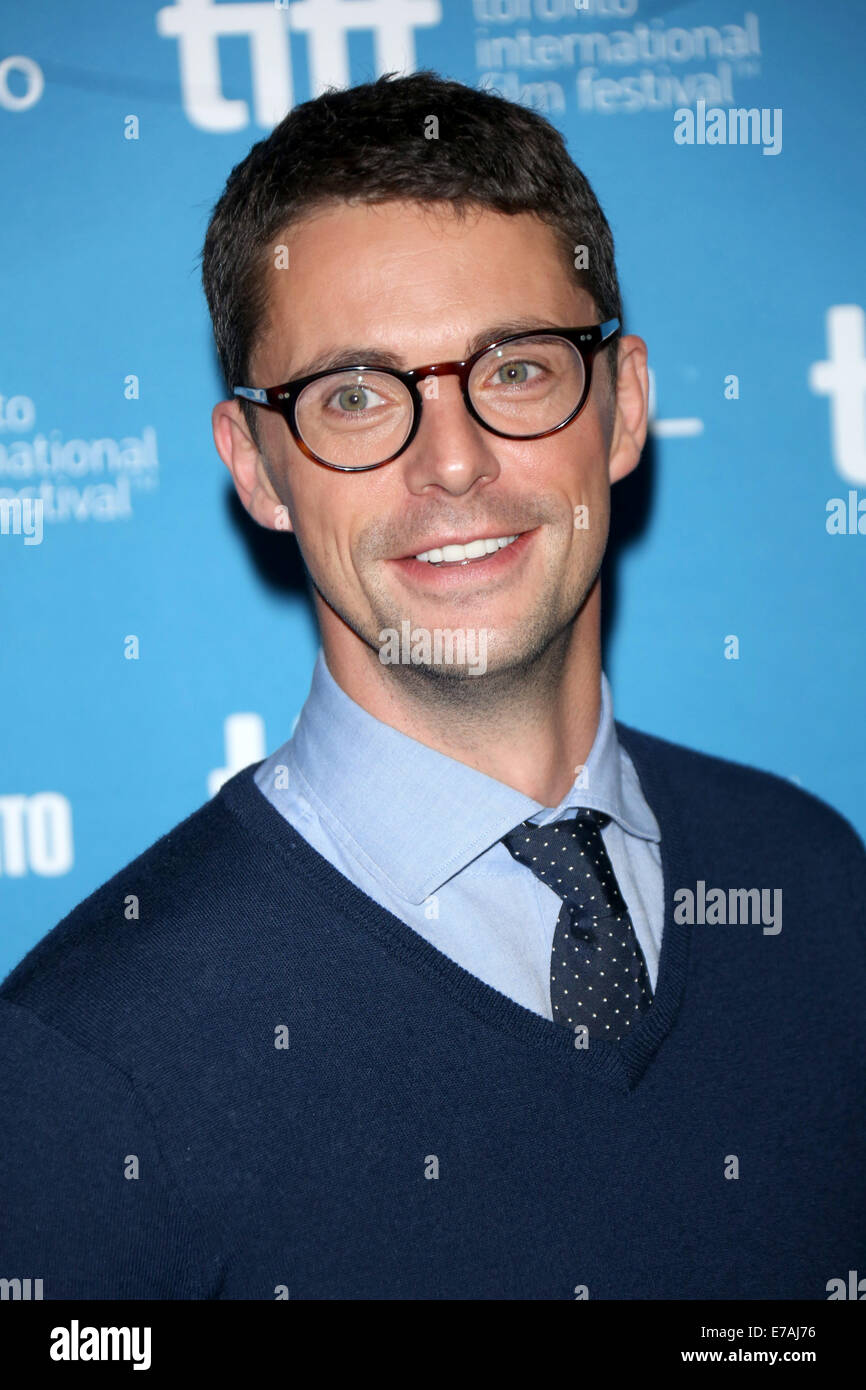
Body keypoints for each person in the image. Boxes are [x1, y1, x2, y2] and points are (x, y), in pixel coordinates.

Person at [2, 71, 864, 1302]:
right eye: (353, 395)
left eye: (513, 369)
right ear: (256, 467)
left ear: (620, 409)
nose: (450, 461)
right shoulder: (82, 1070)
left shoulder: (811, 878)